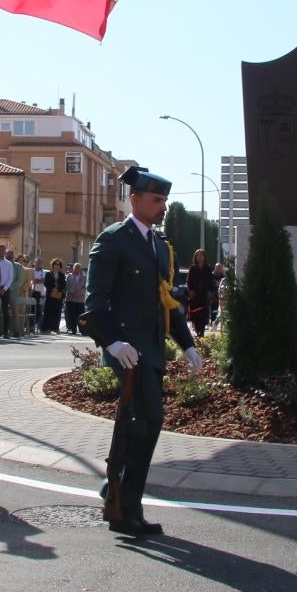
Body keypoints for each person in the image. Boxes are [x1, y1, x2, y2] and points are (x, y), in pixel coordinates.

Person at [80, 165, 203, 538]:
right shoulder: (113, 239)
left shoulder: (161, 246)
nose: (162, 205)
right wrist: (112, 343)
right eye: (156, 199)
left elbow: (166, 301)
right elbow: (95, 299)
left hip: (151, 348)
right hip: (126, 349)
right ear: (135, 200)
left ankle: (116, 487)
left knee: (145, 422)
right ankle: (126, 507)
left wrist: (187, 344)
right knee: (148, 418)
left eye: (165, 200)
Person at [185, 248, 216, 338]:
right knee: (195, 314)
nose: (199, 257)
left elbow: (211, 281)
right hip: (195, 295)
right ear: (195, 257)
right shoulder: (193, 268)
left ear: (204, 257)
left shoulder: (208, 268)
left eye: (201, 255)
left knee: (203, 313)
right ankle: (197, 330)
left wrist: (210, 291)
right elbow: (189, 281)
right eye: (198, 255)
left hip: (204, 295)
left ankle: (201, 332)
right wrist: (190, 290)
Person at [41, 258, 66, 332]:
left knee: (57, 311)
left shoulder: (62, 275)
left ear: (60, 266)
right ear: (53, 265)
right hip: (50, 295)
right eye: (55, 264)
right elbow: (46, 283)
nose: (57, 266)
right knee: (48, 311)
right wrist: (52, 289)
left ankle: (55, 328)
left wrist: (58, 289)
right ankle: (47, 328)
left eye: (58, 264)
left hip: (58, 295)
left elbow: (63, 284)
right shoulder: (48, 274)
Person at [64, 261, 88, 333]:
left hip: (80, 300)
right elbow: (67, 286)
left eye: (78, 268)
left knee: (81, 315)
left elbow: (85, 287)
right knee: (71, 315)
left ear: (80, 269)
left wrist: (79, 293)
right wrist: (73, 292)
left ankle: (83, 329)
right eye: (75, 268)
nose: (77, 269)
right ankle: (72, 328)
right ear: (73, 268)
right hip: (70, 299)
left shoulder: (84, 277)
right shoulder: (69, 276)